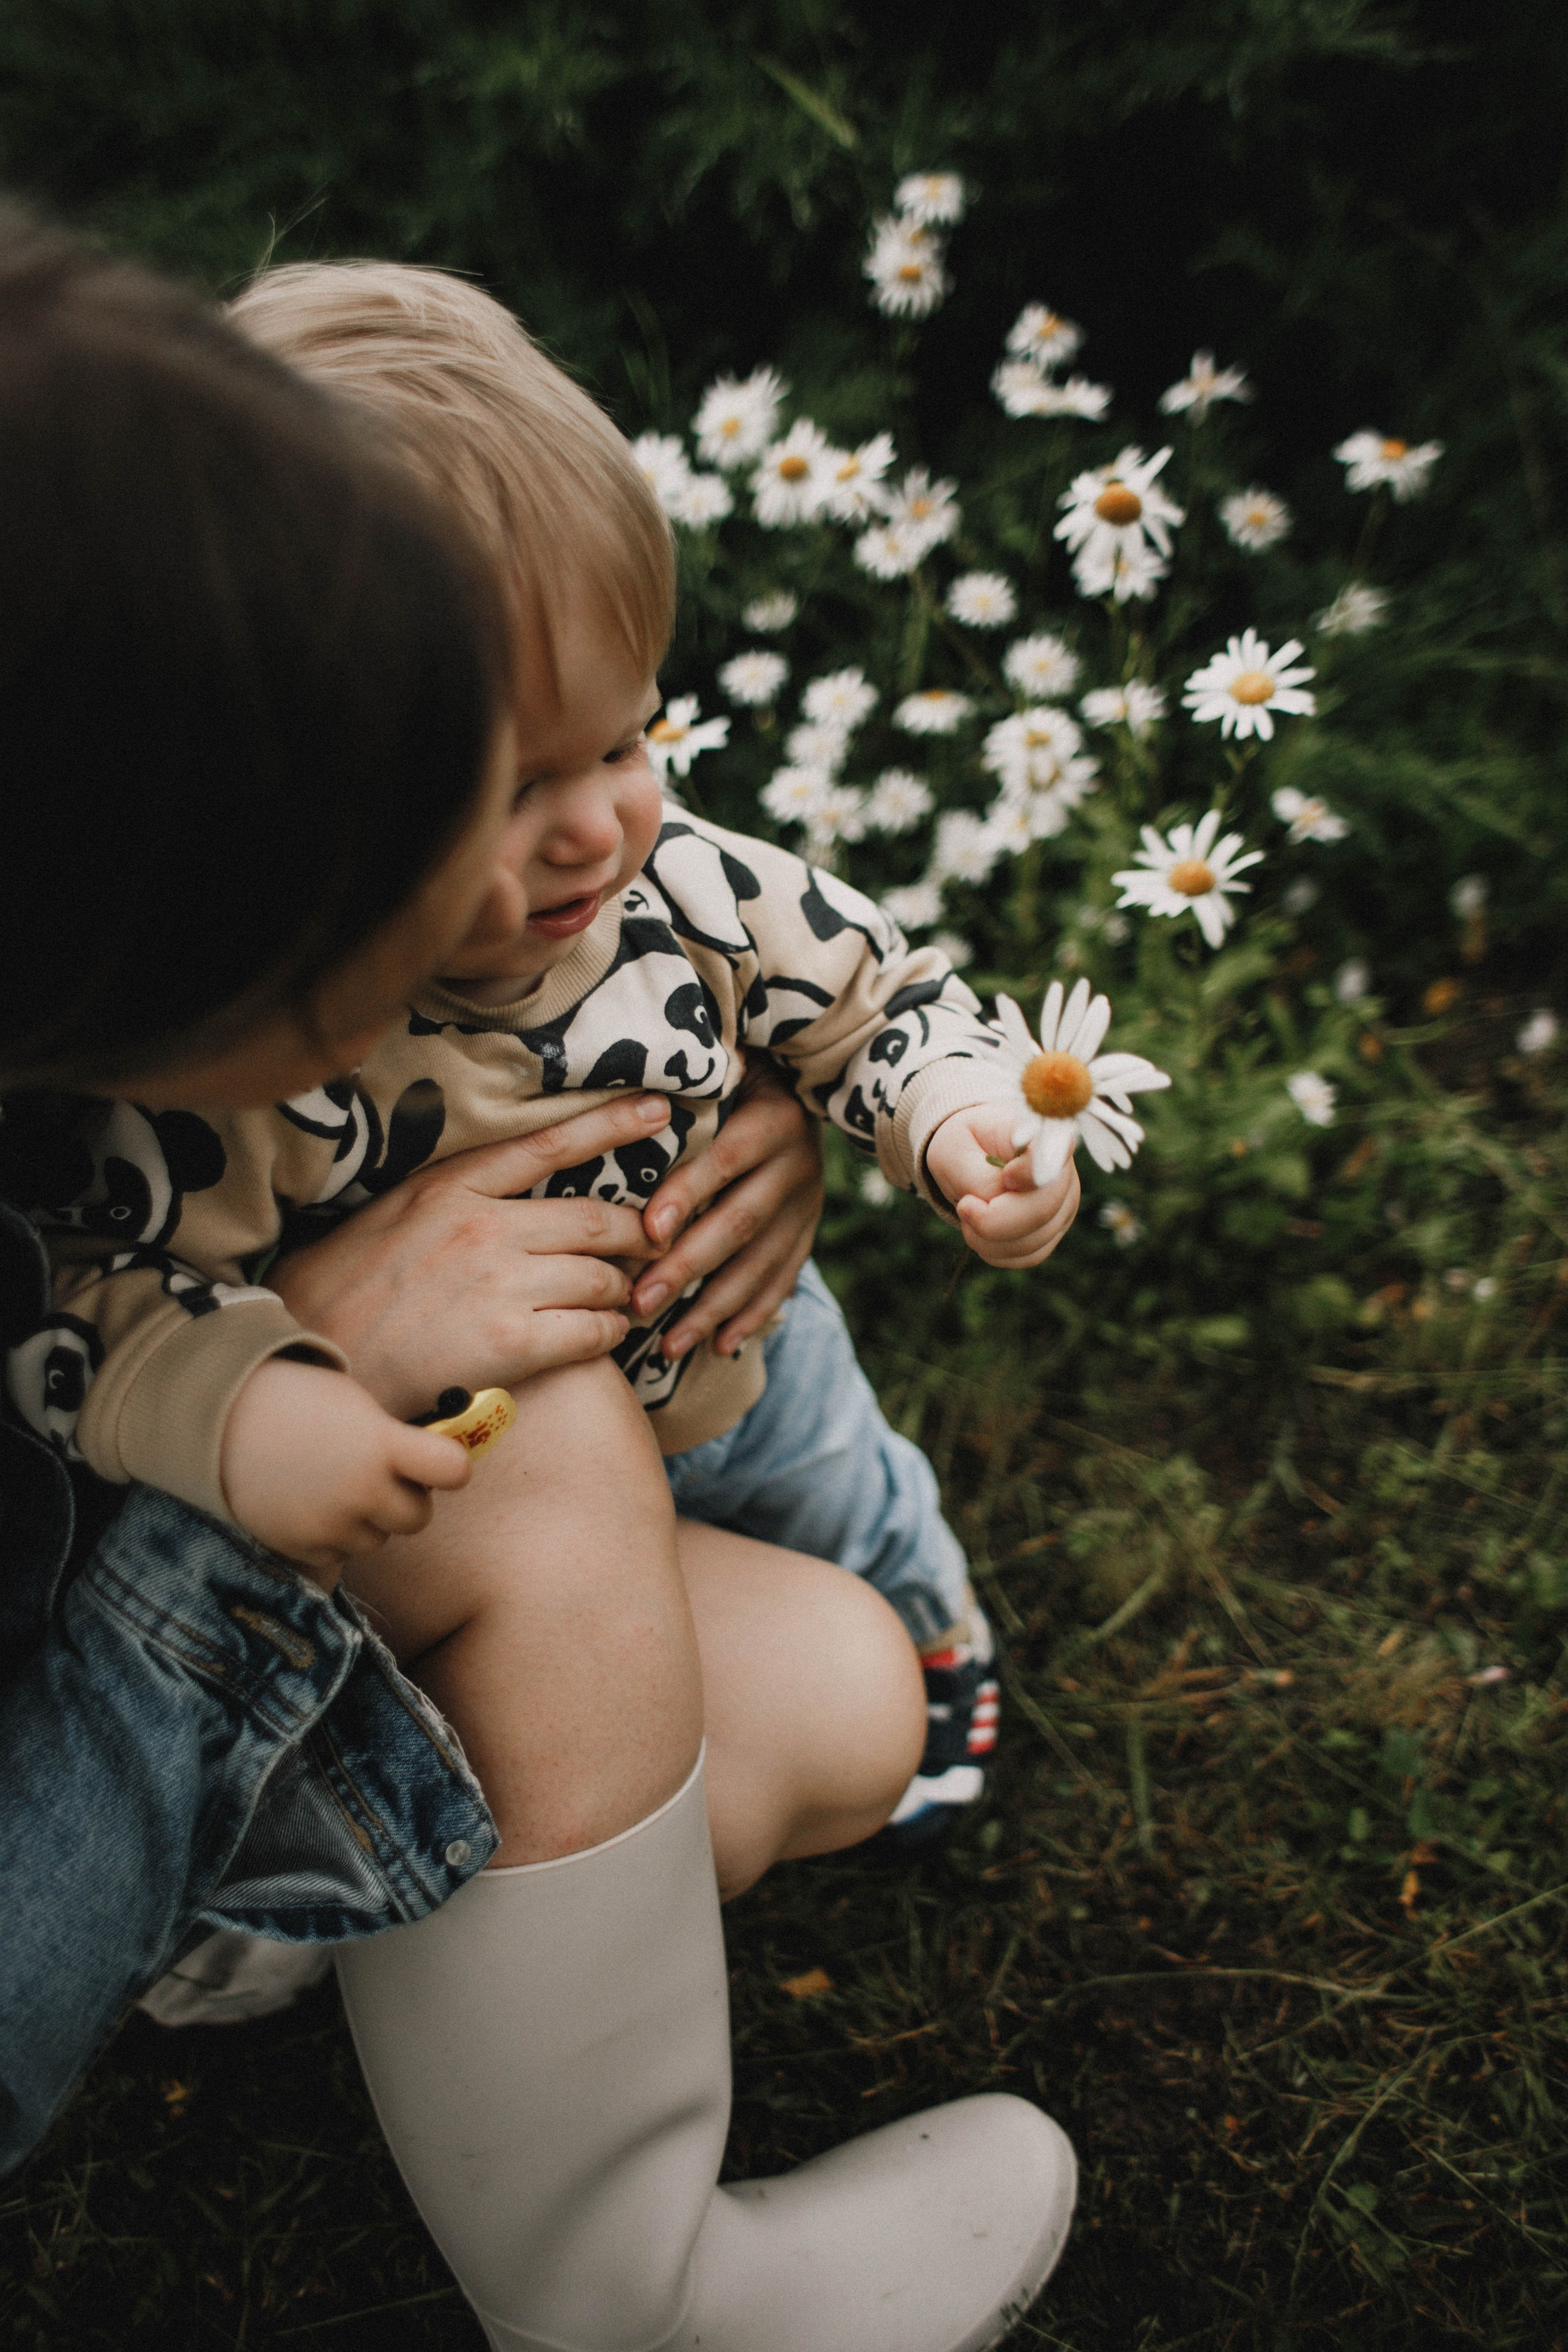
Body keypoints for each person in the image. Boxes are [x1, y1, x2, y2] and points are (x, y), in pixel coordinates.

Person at [0, 211, 1079, 2347]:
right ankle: (625, 2283)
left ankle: (367, 1924)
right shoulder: (133, 1156)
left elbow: (849, 991)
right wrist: (296, 1387)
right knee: (541, 1448)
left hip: (477, 1560)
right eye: (439, 801)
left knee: (853, 1693)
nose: (579, 847)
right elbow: (113, 1328)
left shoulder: (645, 899)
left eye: (621, 747)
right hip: (182, 1696)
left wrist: (886, 1113)